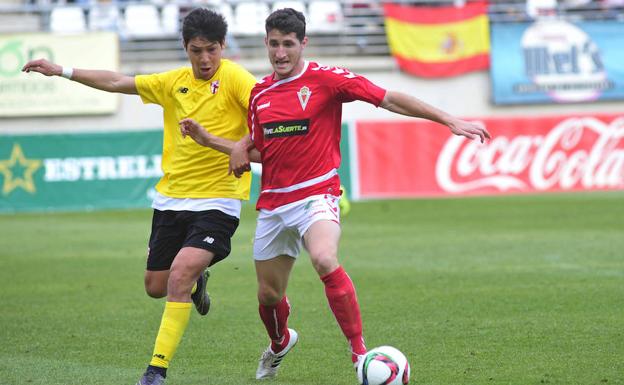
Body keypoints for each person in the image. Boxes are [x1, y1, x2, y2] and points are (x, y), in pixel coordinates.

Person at [180, 7, 491, 381]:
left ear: (303, 43)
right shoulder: (259, 94)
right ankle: (280, 342)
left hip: (317, 194)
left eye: (289, 44)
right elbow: (265, 150)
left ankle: (360, 354)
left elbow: (389, 98)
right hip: (275, 203)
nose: (281, 53)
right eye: (274, 44)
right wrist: (221, 144)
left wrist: (450, 120)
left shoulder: (327, 80)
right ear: (265, 43)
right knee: (268, 296)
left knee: (325, 258)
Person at [22, 8, 256, 385]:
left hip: (219, 197)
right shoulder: (172, 82)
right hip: (171, 199)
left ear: (223, 46)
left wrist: (241, 146)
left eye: (212, 50)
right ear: (185, 47)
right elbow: (117, 81)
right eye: (197, 50)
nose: (205, 59)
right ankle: (198, 283)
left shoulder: (238, 80)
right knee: (155, 286)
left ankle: (155, 370)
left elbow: (265, 118)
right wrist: (62, 70)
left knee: (178, 275)